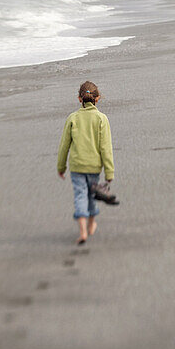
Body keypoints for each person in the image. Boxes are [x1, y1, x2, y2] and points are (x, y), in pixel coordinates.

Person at [57, 80, 115, 245]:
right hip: (94, 166)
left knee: (80, 195)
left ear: (79, 98)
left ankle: (82, 231)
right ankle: (91, 225)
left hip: (77, 166)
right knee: (91, 195)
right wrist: (109, 172)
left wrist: (61, 167)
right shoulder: (102, 119)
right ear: (97, 99)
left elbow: (64, 146)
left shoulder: (72, 118)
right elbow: (106, 148)